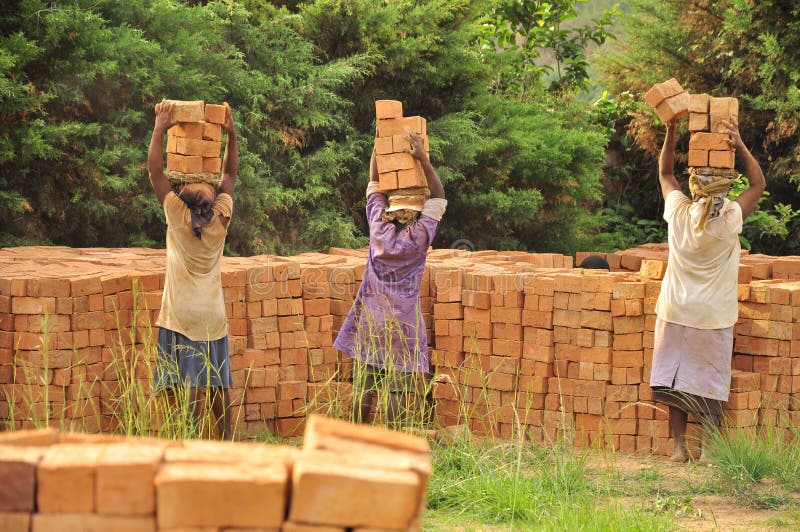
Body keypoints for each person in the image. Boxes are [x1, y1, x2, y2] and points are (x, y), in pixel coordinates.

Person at [650, 117, 765, 462]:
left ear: (695, 186)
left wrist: (671, 131)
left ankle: (679, 449)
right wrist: (740, 144)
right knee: (711, 381)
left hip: (675, 311)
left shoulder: (680, 212)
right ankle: (711, 449)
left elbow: (666, 175)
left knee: (674, 381)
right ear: (725, 188)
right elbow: (758, 184)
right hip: (713, 315)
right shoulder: (729, 219)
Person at [334, 130, 447, 427]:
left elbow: (374, 185)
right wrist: (421, 158)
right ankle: (391, 440)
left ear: (391, 210)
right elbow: (440, 196)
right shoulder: (420, 237)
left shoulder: (377, 231)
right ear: (416, 212)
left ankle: (355, 440)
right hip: (404, 324)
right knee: (397, 388)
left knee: (365, 387)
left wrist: (380, 146)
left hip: (371, 319)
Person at [147, 98, 238, 440]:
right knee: (215, 382)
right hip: (212, 317)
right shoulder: (222, 218)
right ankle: (227, 439)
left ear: (183, 198)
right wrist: (231, 133)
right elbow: (228, 174)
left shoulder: (176, 214)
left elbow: (156, 171)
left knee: (185, 383)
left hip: (180, 316)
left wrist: (160, 128)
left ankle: (185, 439)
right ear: (212, 200)